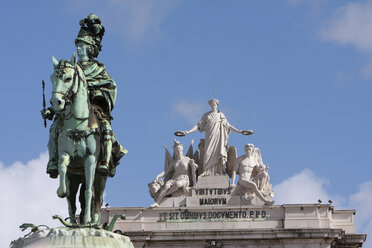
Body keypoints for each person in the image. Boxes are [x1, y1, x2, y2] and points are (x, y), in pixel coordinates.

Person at [41, 14, 126, 178]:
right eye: (78, 45)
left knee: (106, 128)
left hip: (94, 108)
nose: (79, 48)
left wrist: (96, 93)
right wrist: (52, 110)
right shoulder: (70, 69)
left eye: (82, 45)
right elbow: (63, 91)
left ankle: (106, 161)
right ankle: (53, 161)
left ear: (90, 48)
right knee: (54, 128)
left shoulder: (98, 69)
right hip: (70, 111)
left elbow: (110, 88)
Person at [175, 99, 253, 176]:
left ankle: (218, 172)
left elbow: (228, 125)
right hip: (209, 137)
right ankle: (207, 172)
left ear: (217, 105)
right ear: (210, 105)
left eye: (215, 103)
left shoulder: (220, 115)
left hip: (219, 138)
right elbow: (198, 125)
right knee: (207, 153)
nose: (214, 105)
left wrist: (239, 131)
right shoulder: (206, 115)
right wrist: (188, 132)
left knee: (218, 153)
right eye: (212, 103)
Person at [150, 140, 198, 207]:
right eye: (177, 151)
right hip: (174, 178)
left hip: (184, 179)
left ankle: (164, 194)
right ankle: (157, 203)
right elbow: (166, 172)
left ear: (182, 150)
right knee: (166, 185)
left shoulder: (187, 159)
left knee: (177, 184)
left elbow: (196, 166)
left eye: (180, 151)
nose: (179, 152)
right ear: (175, 151)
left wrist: (194, 164)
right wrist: (158, 176)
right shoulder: (173, 162)